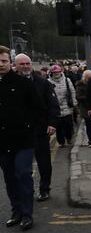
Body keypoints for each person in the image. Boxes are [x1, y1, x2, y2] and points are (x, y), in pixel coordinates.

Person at [0, 45, 44, 231]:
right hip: (2, 141)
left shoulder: (23, 83)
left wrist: (28, 126)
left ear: (10, 63)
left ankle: (27, 214)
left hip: (23, 140)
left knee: (22, 174)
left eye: (3, 61)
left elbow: (38, 108)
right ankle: (16, 211)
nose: (0, 64)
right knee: (9, 178)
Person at [14, 54, 58, 200]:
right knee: (22, 166)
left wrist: (52, 123)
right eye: (22, 64)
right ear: (16, 65)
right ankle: (27, 190)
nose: (26, 66)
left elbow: (52, 105)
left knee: (44, 162)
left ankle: (45, 188)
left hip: (40, 129)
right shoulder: (11, 82)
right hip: (20, 132)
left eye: (28, 63)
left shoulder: (43, 83)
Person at [48, 65, 78, 147]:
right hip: (55, 108)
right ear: (52, 73)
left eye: (58, 72)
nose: (56, 73)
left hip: (66, 106)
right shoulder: (48, 82)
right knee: (59, 126)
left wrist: (74, 103)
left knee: (68, 124)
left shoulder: (67, 80)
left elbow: (72, 91)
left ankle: (69, 137)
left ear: (61, 72)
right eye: (54, 72)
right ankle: (61, 141)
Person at [75, 69, 91, 147]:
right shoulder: (80, 85)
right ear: (85, 77)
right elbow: (78, 96)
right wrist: (88, 97)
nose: (90, 79)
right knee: (89, 124)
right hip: (84, 107)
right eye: (88, 78)